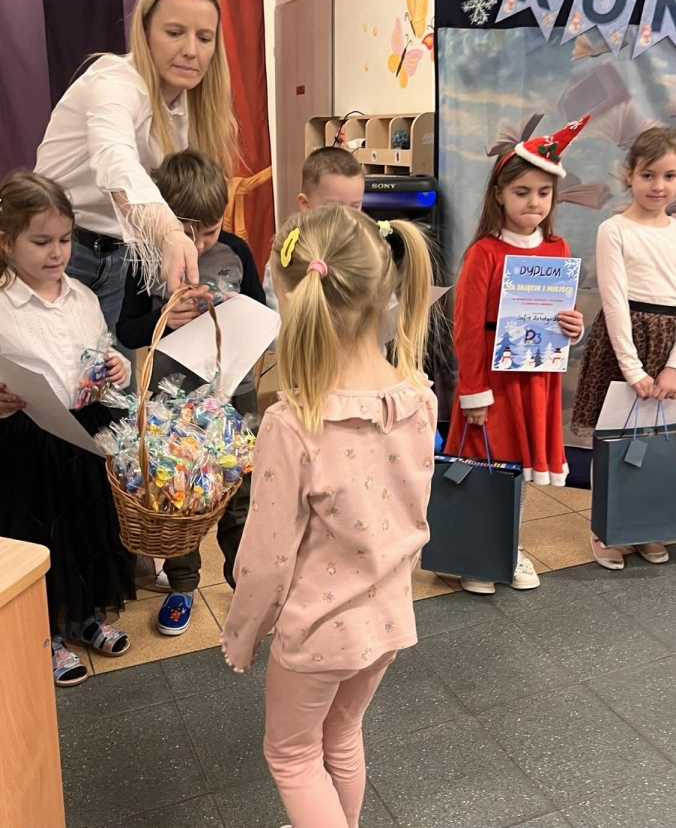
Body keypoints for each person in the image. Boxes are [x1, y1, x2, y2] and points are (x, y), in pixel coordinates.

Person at [220, 205, 437, 828]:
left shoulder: (292, 423)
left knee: (291, 757)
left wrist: (243, 633)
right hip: (387, 619)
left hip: (317, 633)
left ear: (292, 300)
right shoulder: (418, 396)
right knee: (341, 737)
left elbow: (266, 558)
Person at [35, 0, 240, 350]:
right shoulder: (112, 82)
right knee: (57, 377)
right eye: (174, 32)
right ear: (144, 32)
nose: (191, 50)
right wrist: (169, 233)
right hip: (59, 253)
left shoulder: (189, 104)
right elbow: (116, 161)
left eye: (204, 37)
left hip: (120, 259)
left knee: (116, 380)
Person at [116, 149, 266, 635]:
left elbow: (262, 312)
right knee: (182, 496)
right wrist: (165, 321)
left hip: (234, 392)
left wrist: (236, 310)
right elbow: (127, 329)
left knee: (238, 494)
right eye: (188, 233)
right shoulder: (146, 258)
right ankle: (182, 584)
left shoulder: (237, 251)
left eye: (210, 231)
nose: (200, 245)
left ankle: (245, 583)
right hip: (174, 402)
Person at [0, 171, 135, 687]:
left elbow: (100, 347)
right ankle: (48, 633)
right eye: (41, 242)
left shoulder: (81, 295)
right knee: (42, 533)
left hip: (85, 431)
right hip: (27, 441)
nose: (56, 253)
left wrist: (116, 366)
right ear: (7, 242)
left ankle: (86, 616)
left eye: (64, 239)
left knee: (87, 526)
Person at [445, 118, 587, 594]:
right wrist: (474, 391)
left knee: (518, 470)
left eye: (544, 193)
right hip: (491, 381)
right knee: (486, 466)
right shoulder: (484, 253)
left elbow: (557, 321)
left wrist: (572, 328)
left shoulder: (558, 248)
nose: (534, 202)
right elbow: (466, 329)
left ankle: (508, 546)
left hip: (534, 380)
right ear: (499, 195)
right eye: (522, 192)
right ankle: (474, 553)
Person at [572, 126, 676, 569]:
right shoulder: (613, 229)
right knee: (614, 440)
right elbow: (614, 302)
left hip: (669, 347)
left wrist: (672, 367)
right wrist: (633, 370)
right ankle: (606, 527)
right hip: (623, 345)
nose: (658, 186)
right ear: (629, 174)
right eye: (648, 175)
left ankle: (645, 525)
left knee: (658, 441)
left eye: (669, 176)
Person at [263, 146, 365, 311]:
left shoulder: (367, 252)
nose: (346, 217)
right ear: (305, 204)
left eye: (354, 207)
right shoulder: (286, 258)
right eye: (333, 207)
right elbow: (278, 320)